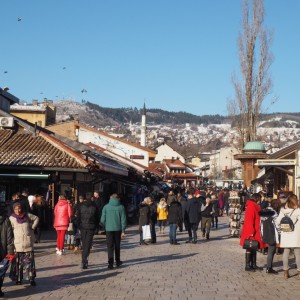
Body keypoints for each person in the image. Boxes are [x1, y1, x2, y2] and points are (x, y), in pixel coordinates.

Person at [9, 202, 39, 286]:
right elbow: (10, 231)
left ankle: (31, 279)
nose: (17, 211)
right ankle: (19, 279)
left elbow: (36, 218)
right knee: (19, 264)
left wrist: (32, 227)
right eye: (15, 209)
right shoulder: (12, 218)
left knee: (29, 263)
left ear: (22, 208)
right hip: (17, 244)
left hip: (28, 243)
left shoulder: (27, 215)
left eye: (19, 209)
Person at [276, 194, 300, 279]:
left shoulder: (283, 210)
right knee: (298, 254)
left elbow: (277, 222)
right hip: (296, 235)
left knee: (285, 253)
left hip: (286, 234)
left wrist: (280, 229)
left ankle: (285, 272)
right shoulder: (297, 210)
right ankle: (299, 273)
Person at [240, 193, 265, 272]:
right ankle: (247, 266)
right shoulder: (251, 206)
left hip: (256, 230)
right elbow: (250, 219)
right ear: (257, 199)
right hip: (251, 231)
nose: (261, 200)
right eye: (260, 199)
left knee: (254, 247)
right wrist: (251, 231)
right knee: (249, 247)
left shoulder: (255, 206)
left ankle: (253, 264)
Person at [101, 193, 126, 269]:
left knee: (110, 246)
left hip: (109, 229)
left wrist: (105, 226)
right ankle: (118, 261)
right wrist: (123, 230)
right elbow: (123, 220)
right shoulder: (121, 207)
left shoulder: (106, 207)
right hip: (118, 229)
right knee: (117, 245)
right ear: (118, 198)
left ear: (110, 198)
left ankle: (110, 263)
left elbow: (102, 220)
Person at [259, 198, 281, 274]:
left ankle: (269, 266)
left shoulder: (264, 211)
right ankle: (269, 268)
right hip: (272, 234)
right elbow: (277, 225)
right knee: (271, 251)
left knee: (270, 251)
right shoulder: (274, 213)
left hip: (265, 233)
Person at [77, 197, 99, 269]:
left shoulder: (81, 206)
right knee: (88, 244)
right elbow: (97, 218)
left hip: (83, 227)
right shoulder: (94, 206)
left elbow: (78, 217)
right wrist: (96, 226)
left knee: (84, 243)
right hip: (91, 227)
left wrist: (78, 225)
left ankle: (84, 260)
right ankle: (84, 260)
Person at [0, 207, 14, 297]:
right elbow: (9, 239)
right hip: (3, 251)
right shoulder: (6, 219)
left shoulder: (6, 220)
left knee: (1, 271)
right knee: (1, 271)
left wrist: (11, 252)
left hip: (3, 251)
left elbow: (9, 238)